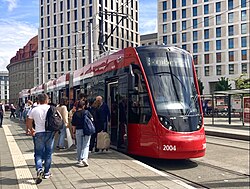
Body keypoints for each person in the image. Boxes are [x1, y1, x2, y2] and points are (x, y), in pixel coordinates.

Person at [26, 94, 55, 184]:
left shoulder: (34, 109)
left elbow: (29, 121)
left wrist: (31, 130)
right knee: (48, 153)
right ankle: (46, 172)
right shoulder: (51, 108)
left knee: (38, 153)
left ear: (38, 100)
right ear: (47, 100)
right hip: (50, 132)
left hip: (38, 133)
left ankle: (39, 169)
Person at [71, 100, 92, 166]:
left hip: (78, 130)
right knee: (86, 144)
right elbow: (92, 119)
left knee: (79, 145)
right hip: (86, 130)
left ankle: (79, 159)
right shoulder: (87, 112)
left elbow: (73, 124)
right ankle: (84, 158)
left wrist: (73, 132)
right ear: (84, 106)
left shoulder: (75, 114)